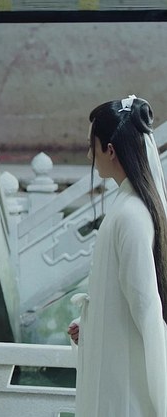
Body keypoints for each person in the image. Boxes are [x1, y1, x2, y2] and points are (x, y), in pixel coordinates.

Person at [67, 95, 167, 416]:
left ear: (110, 150)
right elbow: (123, 298)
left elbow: (146, 309)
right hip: (115, 374)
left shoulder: (131, 215)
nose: (89, 155)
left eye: (92, 146)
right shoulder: (127, 207)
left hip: (126, 386)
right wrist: (91, 324)